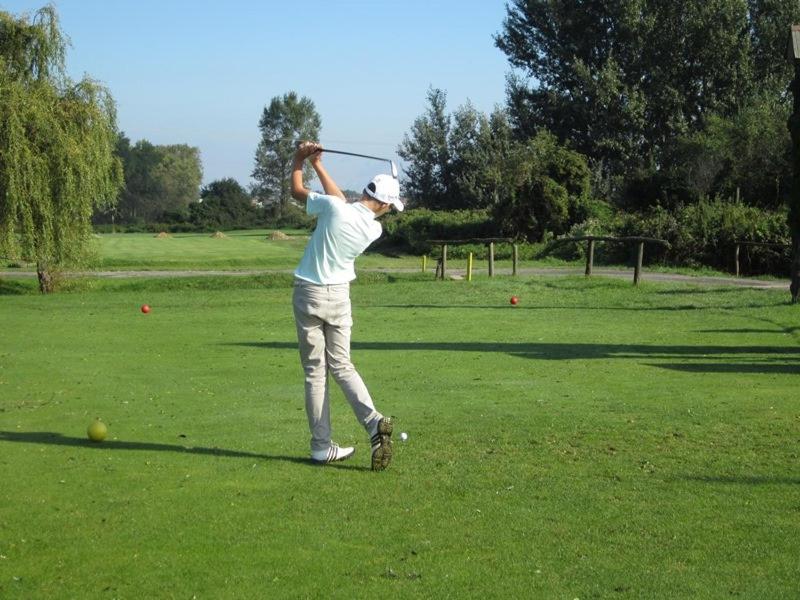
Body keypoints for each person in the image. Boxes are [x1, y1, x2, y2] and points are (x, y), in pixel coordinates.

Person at [289, 141, 403, 470]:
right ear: (383, 203)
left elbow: (297, 191)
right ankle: (373, 422)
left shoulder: (334, 208)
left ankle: (321, 447)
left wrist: (299, 159)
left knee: (315, 373)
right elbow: (340, 201)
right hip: (338, 296)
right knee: (342, 366)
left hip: (308, 292)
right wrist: (318, 165)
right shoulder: (373, 228)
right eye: (390, 206)